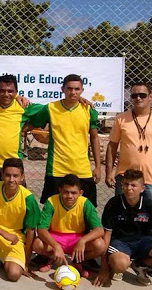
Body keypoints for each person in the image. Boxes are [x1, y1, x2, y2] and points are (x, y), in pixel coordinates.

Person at [94, 169, 152, 287]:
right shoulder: (113, 204)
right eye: (126, 184)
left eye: (133, 185)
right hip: (120, 243)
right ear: (122, 185)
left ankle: (139, 264)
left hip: (143, 242)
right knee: (120, 264)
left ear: (142, 188)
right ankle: (115, 266)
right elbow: (107, 235)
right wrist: (104, 267)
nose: (129, 188)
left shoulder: (149, 205)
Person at [29, 74, 101, 206]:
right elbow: (34, 123)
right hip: (57, 169)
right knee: (52, 211)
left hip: (82, 169)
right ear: (62, 89)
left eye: (77, 89)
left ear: (82, 90)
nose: (73, 92)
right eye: (69, 88)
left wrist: (97, 166)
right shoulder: (50, 108)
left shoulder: (88, 110)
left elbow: (95, 137)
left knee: (86, 211)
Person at [105, 82, 152, 208]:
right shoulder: (121, 119)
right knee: (122, 216)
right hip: (125, 178)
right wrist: (108, 172)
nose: (138, 98)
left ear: (150, 96)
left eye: (142, 95)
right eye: (134, 95)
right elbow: (112, 146)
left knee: (150, 219)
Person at [32, 174, 105, 277]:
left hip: (77, 239)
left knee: (100, 245)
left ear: (80, 193)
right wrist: (56, 246)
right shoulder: (51, 201)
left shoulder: (85, 203)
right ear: (60, 190)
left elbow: (99, 230)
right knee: (37, 244)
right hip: (56, 238)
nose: (70, 196)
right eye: (66, 192)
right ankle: (52, 258)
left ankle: (77, 260)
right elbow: (41, 229)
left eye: (74, 193)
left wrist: (83, 241)